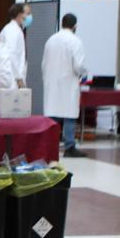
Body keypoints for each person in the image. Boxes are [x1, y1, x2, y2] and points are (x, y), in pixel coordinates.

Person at [42, 13, 89, 159]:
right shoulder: (75, 40)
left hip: (52, 82)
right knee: (69, 114)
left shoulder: (51, 40)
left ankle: (49, 145)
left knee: (53, 115)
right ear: (75, 26)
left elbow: (44, 63)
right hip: (68, 82)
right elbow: (78, 64)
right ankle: (69, 146)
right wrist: (83, 73)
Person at [0, 3, 31, 88]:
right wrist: (19, 78)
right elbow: (11, 54)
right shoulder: (12, 30)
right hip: (11, 80)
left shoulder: (15, 30)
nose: (30, 17)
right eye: (28, 14)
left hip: (13, 78)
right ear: (20, 15)